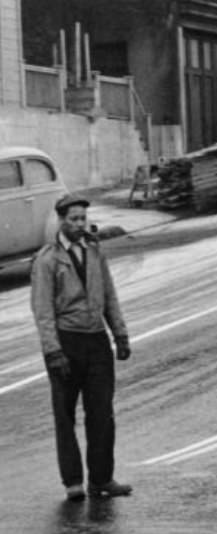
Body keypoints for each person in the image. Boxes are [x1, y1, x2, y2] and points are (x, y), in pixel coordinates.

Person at [30, 194, 133, 501]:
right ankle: (73, 481)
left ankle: (101, 479)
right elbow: (43, 310)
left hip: (96, 341)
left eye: (82, 219)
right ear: (61, 221)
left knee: (101, 412)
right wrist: (53, 351)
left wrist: (120, 334)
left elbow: (109, 294)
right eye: (73, 219)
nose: (79, 224)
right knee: (65, 415)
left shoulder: (94, 251)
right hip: (66, 342)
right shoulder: (47, 259)